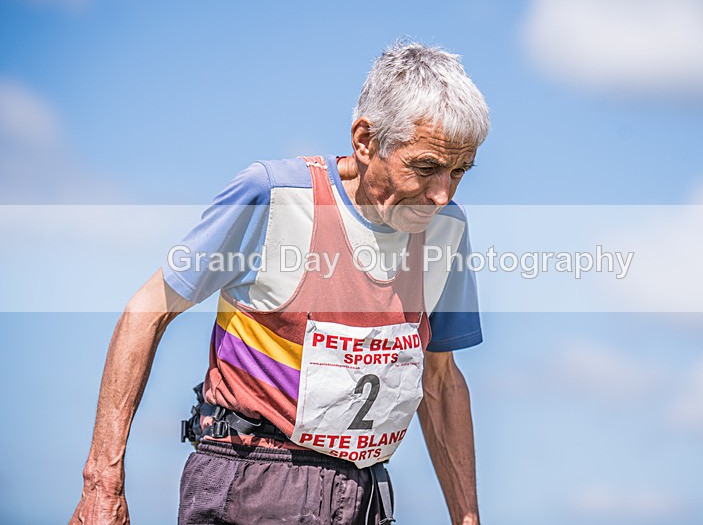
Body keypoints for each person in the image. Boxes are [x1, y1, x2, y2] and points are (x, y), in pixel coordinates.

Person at [71, 41, 490, 525]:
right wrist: (102, 484)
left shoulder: (447, 230)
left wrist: (467, 517)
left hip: (366, 493)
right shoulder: (273, 196)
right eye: (426, 168)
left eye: (460, 171)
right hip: (253, 479)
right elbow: (146, 311)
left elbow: (438, 380)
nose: (442, 194)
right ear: (365, 140)